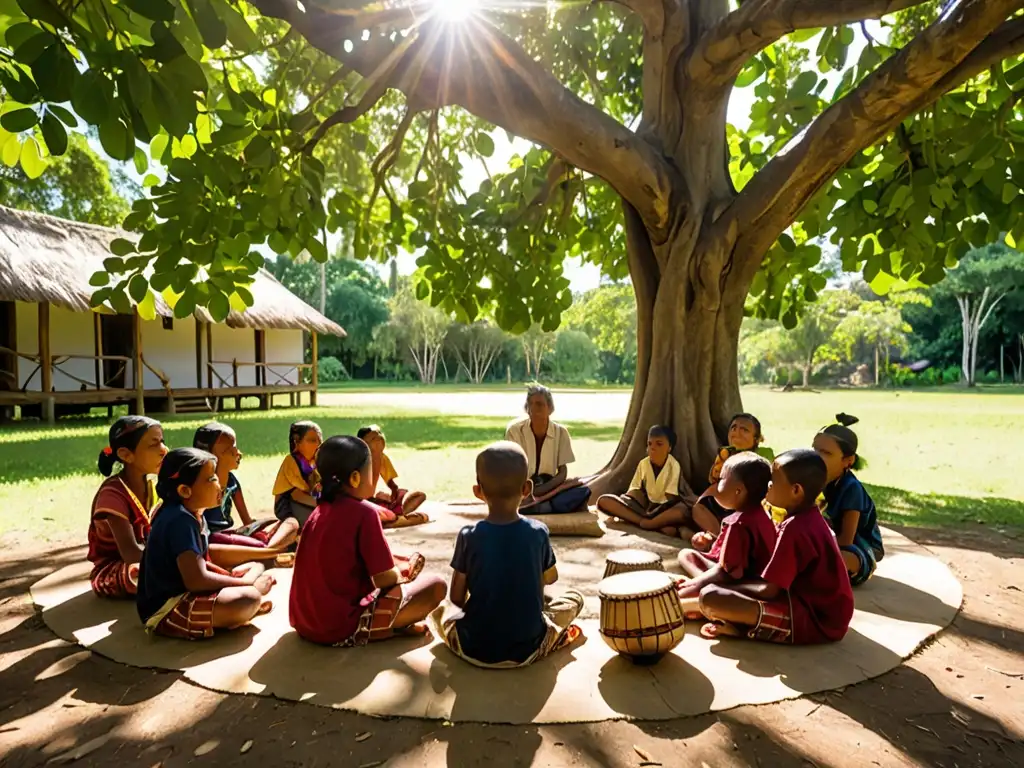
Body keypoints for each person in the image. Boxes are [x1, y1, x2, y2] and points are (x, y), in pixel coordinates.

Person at [431, 441, 584, 668]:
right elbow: (550, 578)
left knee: (440, 611)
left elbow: (456, 599)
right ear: (527, 489)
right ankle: (553, 634)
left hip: (474, 648)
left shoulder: (468, 536)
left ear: (478, 491)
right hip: (528, 649)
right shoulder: (538, 533)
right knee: (573, 599)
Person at [289, 436, 446, 646]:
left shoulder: (317, 513)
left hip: (305, 624)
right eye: (370, 471)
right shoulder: (364, 514)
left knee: (396, 566)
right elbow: (383, 579)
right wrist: (404, 572)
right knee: (436, 586)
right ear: (355, 478)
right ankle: (385, 627)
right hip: (339, 628)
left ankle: (393, 624)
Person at [696, 449, 854, 645]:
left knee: (711, 597)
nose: (768, 485)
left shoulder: (796, 528)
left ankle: (738, 625)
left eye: (774, 481)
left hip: (817, 621)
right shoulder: (808, 517)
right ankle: (733, 620)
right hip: (811, 607)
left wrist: (725, 586)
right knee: (715, 592)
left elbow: (769, 591)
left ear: (796, 490)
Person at [137, 448, 274, 640]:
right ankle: (246, 603)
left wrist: (259, 556)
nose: (219, 484)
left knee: (254, 565)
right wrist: (245, 583)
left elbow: (204, 555)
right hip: (168, 608)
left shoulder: (191, 512)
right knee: (247, 599)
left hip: (188, 588)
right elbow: (196, 580)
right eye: (211, 479)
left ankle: (242, 603)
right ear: (185, 490)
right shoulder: (179, 520)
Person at [676, 453, 777, 617]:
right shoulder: (760, 513)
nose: (716, 485)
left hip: (745, 581)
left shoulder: (739, 524)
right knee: (687, 554)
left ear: (738, 491)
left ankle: (701, 596)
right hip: (740, 571)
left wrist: (690, 586)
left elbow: (725, 572)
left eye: (722, 480)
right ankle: (703, 586)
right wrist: (709, 541)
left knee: (695, 593)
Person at [193, 423, 299, 566]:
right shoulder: (202, 484)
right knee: (225, 547)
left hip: (231, 533)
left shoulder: (232, 481)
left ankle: (266, 551)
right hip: (214, 538)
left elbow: (246, 520)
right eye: (232, 450)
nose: (239, 454)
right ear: (214, 455)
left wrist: (262, 528)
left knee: (290, 523)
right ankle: (269, 553)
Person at [88, 416, 167, 598]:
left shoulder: (151, 488)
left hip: (148, 557)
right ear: (126, 455)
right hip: (116, 568)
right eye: (153, 444)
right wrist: (173, 558)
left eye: (162, 442)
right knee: (136, 573)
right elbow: (130, 554)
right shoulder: (112, 494)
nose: (163, 450)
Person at [814, 414, 884, 587]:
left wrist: (810, 546)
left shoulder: (851, 488)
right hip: (825, 543)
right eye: (814, 449)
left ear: (848, 461)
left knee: (843, 558)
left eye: (826, 453)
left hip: (857, 546)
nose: (816, 456)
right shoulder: (812, 479)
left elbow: (846, 540)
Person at [504, 384, 590, 515]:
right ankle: (542, 506)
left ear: (550, 408)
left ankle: (539, 506)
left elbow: (562, 472)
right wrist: (530, 491)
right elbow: (511, 472)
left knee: (583, 490)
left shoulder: (561, 432)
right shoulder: (514, 431)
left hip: (550, 487)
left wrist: (544, 490)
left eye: (539, 404)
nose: (533, 408)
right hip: (521, 489)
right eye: (530, 404)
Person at [596, 425, 687, 536]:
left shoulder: (673, 465)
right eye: (650, 444)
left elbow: (671, 496)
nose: (653, 448)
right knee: (604, 501)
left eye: (659, 444)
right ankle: (647, 523)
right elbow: (634, 489)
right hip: (643, 507)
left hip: (663, 508)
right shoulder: (644, 463)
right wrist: (633, 503)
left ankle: (649, 522)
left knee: (680, 512)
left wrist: (655, 511)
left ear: (669, 448)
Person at [692, 413, 767, 536]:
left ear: (756, 439)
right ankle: (717, 537)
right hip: (722, 501)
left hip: (747, 504)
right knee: (698, 509)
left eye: (744, 430)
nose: (737, 432)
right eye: (734, 428)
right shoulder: (725, 453)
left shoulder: (761, 458)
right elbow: (714, 479)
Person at [356, 425, 429, 527]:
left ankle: (397, 514)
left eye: (380, 436)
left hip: (373, 501)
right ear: (362, 443)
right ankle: (392, 520)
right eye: (373, 439)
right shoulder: (359, 460)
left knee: (418, 496)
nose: (379, 439)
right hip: (361, 502)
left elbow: (391, 483)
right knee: (373, 511)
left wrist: (394, 492)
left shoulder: (382, 458)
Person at [271, 420, 323, 528]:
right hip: (288, 503)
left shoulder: (315, 462)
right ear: (297, 442)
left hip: (308, 499)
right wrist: (319, 501)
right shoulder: (291, 461)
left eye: (320, 439)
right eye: (312, 440)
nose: (318, 444)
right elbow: (298, 491)